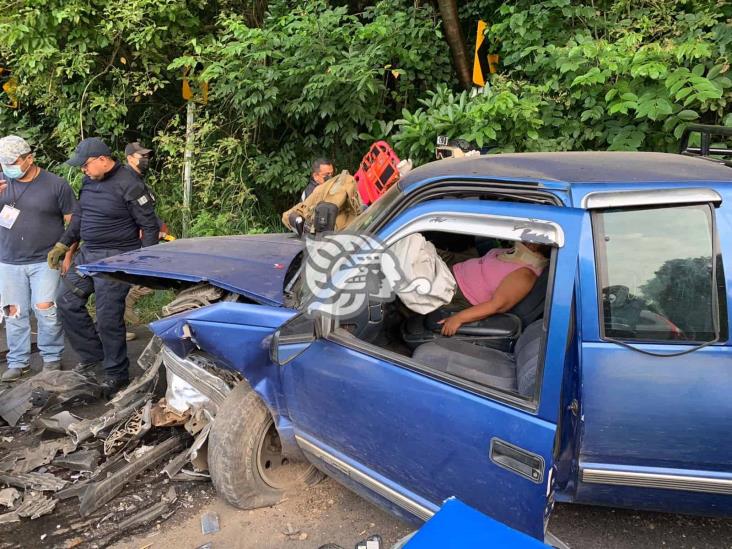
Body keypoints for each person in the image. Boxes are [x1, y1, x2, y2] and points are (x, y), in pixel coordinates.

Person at [47, 137, 159, 395]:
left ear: (102, 160)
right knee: (66, 301)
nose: (82, 171)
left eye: (85, 165)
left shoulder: (130, 184)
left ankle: (116, 373)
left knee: (108, 317)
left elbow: (150, 227)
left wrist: (145, 264)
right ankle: (93, 358)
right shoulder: (89, 181)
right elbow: (80, 217)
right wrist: (63, 245)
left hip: (117, 258)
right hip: (88, 256)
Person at [0, 135, 76, 381]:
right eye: (3, 163)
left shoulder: (56, 184)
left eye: (11, 162)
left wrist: (68, 255)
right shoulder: (1, 184)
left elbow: (72, 223)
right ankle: (18, 362)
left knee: (45, 309)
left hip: (46, 260)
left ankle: (52, 358)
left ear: (29, 158)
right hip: (9, 260)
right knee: (14, 312)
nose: (7, 167)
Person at [438, 242, 550, 336]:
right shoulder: (517, 253)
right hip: (453, 268)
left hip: (456, 292)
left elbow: (497, 305)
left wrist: (458, 318)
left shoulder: (525, 275)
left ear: (534, 246)